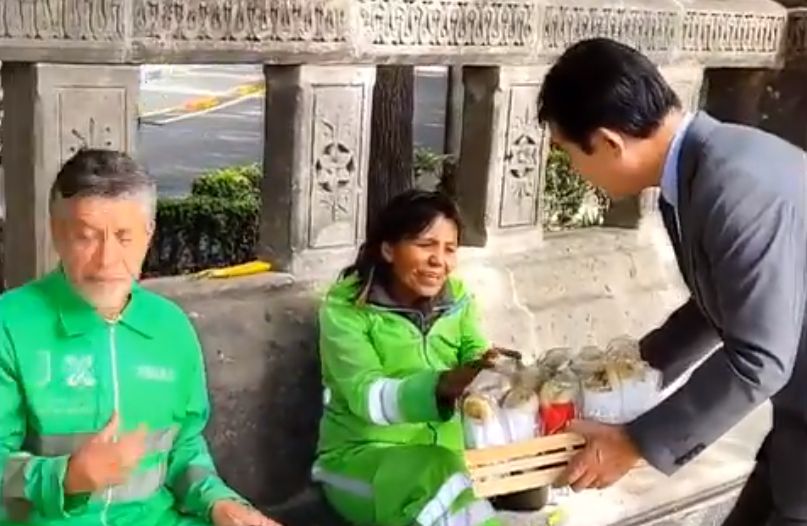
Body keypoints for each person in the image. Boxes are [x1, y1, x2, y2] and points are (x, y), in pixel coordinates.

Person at [537, 37, 807, 526]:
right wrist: (636, 368)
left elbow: (759, 358)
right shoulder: (699, 170)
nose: (575, 171)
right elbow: (721, 302)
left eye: (568, 154)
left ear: (607, 142)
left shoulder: (734, 185)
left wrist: (634, 443)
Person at [0, 149, 280, 526]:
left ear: (148, 235)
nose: (107, 260)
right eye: (86, 237)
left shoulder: (170, 328)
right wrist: (65, 478)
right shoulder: (11, 324)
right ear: (56, 232)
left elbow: (184, 447)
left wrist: (220, 503)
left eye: (124, 236)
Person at [313, 190, 507, 526]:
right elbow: (367, 395)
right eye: (425, 245)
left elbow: (476, 354)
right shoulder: (346, 310)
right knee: (441, 479)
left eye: (449, 249)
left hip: (448, 463)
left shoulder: (456, 298)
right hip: (360, 463)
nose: (439, 260)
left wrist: (493, 370)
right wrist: (442, 387)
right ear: (389, 248)